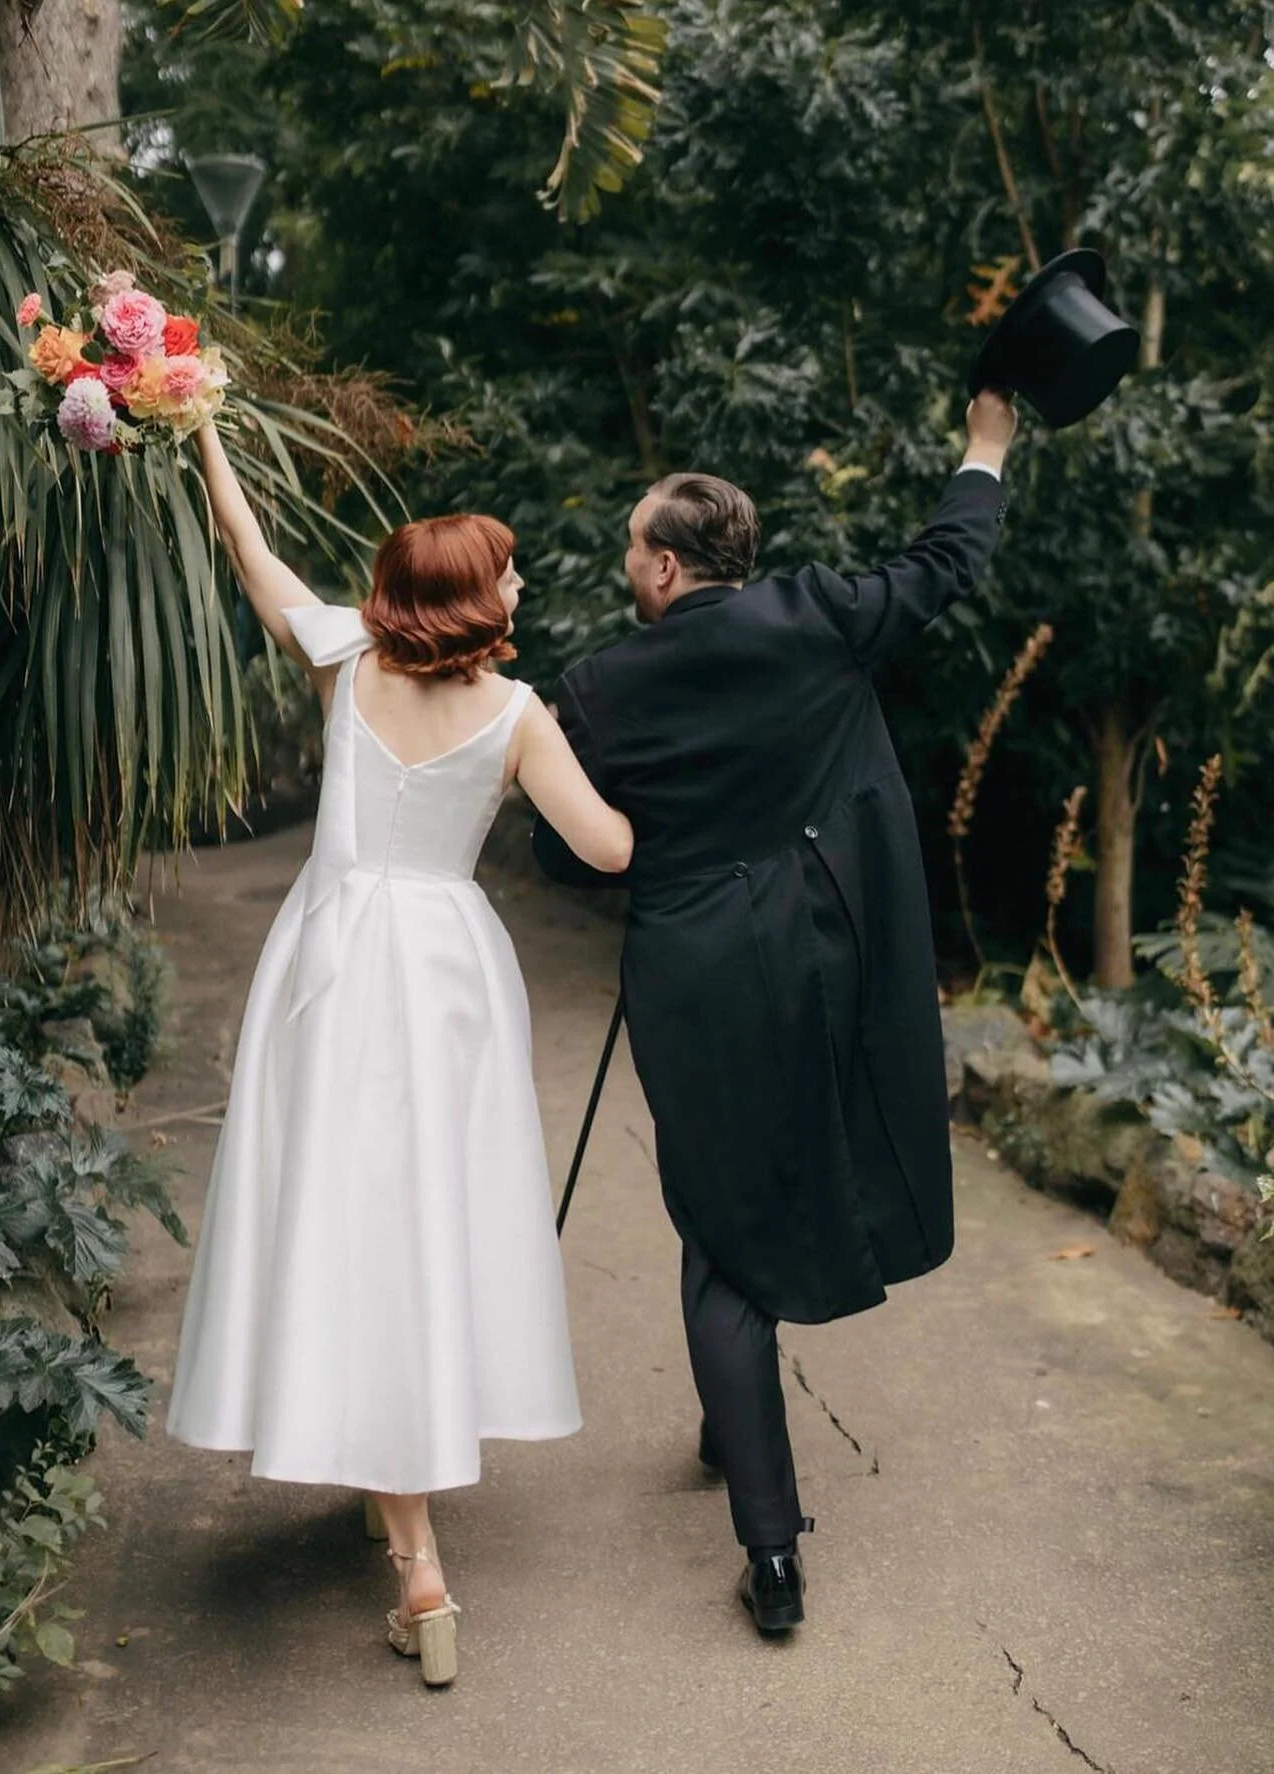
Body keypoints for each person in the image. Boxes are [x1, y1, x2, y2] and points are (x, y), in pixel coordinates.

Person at [532, 390, 1018, 1634]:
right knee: (776, 1182)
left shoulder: (596, 687)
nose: (628, 564)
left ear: (667, 564)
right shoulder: (819, 619)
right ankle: (727, 1428)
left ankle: (774, 1552)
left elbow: (564, 858)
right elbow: (946, 561)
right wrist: (988, 445)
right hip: (827, 949)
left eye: (635, 546)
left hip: (696, 972)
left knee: (721, 1232)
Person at [166, 421, 634, 1687]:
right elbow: (608, 849)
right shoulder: (520, 715)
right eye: (511, 570)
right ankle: (419, 1552)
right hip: (444, 975)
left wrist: (208, 429)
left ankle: (390, 1491)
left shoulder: (346, 661)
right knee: (426, 1220)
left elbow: (249, 546)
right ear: (473, 595)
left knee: (341, 1212)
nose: (523, 583)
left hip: (329, 955)